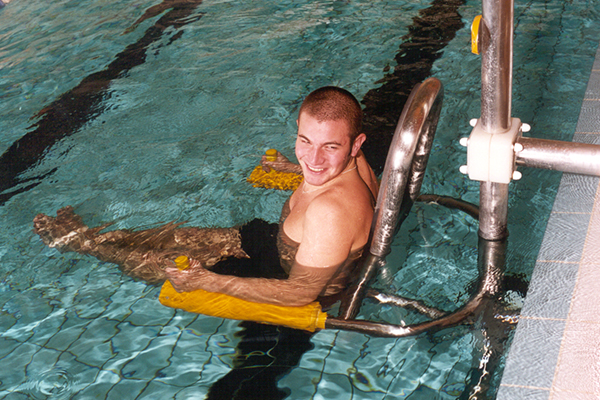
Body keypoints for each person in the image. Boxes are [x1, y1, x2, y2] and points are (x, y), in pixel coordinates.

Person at [34, 86, 379, 307]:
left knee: (160, 263)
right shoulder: (352, 162)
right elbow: (320, 165)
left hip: (281, 278)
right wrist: (296, 169)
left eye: (329, 147)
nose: (314, 159)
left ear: (355, 143)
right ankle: (94, 236)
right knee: (177, 238)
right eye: (306, 141)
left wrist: (208, 281)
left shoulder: (330, 212)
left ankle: (82, 244)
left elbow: (302, 292)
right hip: (281, 243)